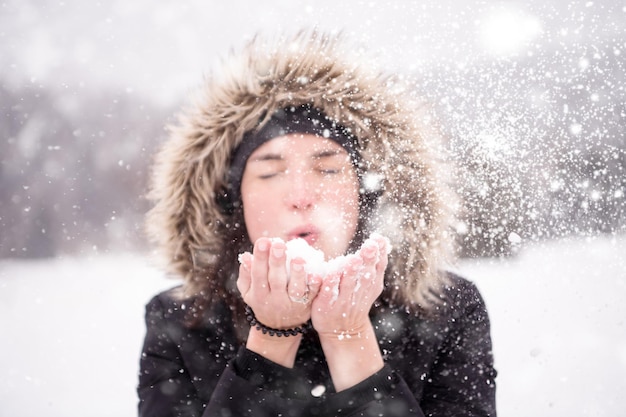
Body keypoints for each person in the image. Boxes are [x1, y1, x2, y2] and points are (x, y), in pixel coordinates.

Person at [137, 31, 497, 417]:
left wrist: (349, 337)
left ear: (365, 194)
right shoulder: (181, 322)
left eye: (327, 168)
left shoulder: (446, 311)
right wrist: (272, 336)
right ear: (233, 202)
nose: (301, 194)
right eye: (270, 173)